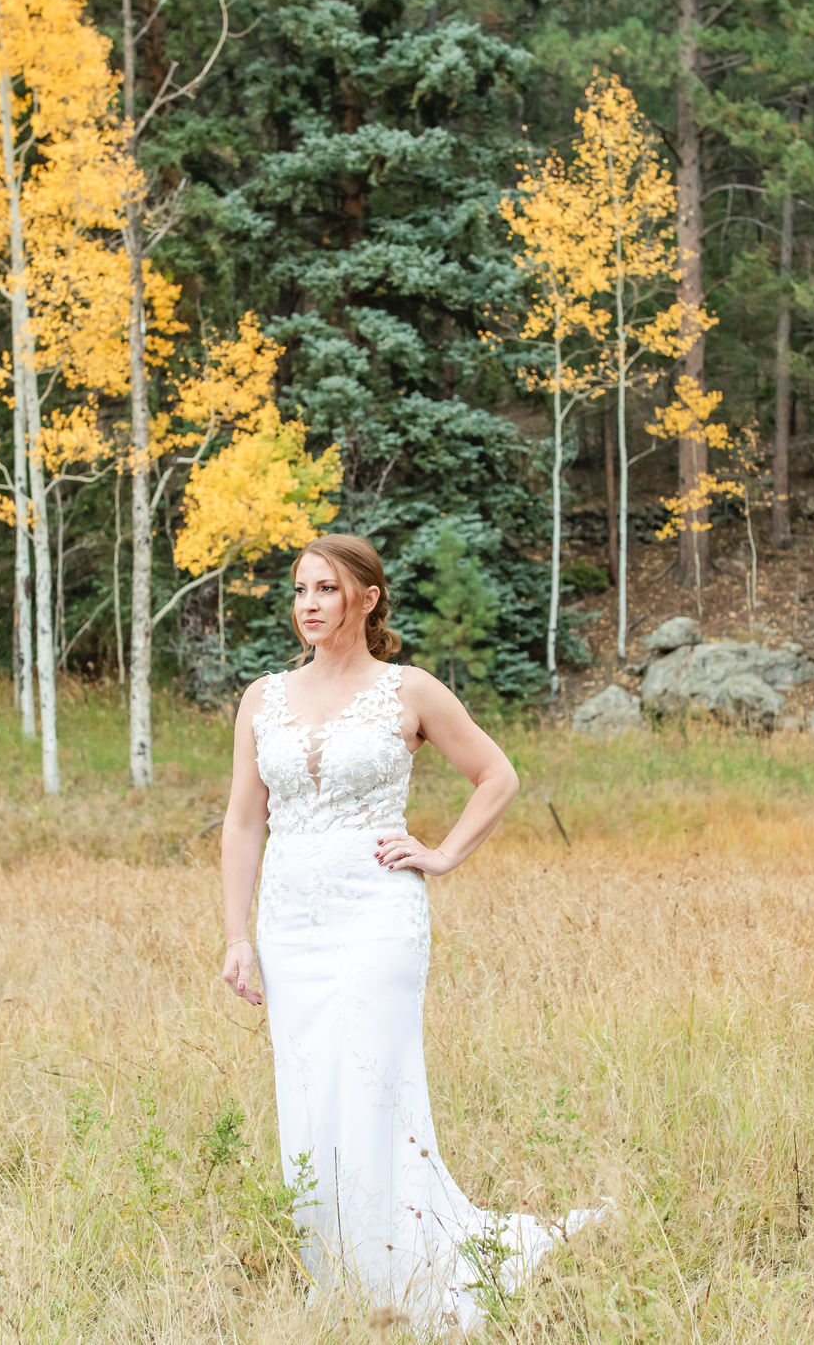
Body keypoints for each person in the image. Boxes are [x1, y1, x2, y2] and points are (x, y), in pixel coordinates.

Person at [216, 532, 599, 1332]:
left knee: (370, 1081)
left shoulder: (409, 690)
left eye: (325, 589)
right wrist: (238, 935)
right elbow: (244, 823)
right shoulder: (264, 699)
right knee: (310, 1088)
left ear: (367, 597)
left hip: (377, 916)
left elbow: (498, 775)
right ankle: (341, 1273)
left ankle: (407, 1271)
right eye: (299, 591)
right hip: (290, 924)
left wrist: (445, 853)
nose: (308, 606)